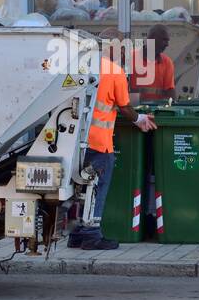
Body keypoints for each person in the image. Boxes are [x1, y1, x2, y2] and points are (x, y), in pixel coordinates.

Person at [68, 28, 157, 250]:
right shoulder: (115, 71)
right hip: (99, 143)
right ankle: (91, 234)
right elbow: (124, 107)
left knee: (79, 189)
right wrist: (140, 119)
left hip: (73, 142)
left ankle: (77, 233)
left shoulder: (80, 65)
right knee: (97, 189)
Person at [129, 24, 176, 103]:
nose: (167, 44)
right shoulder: (130, 58)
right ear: (152, 38)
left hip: (157, 111)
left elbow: (170, 91)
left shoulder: (167, 62)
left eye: (167, 41)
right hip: (133, 110)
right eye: (164, 40)